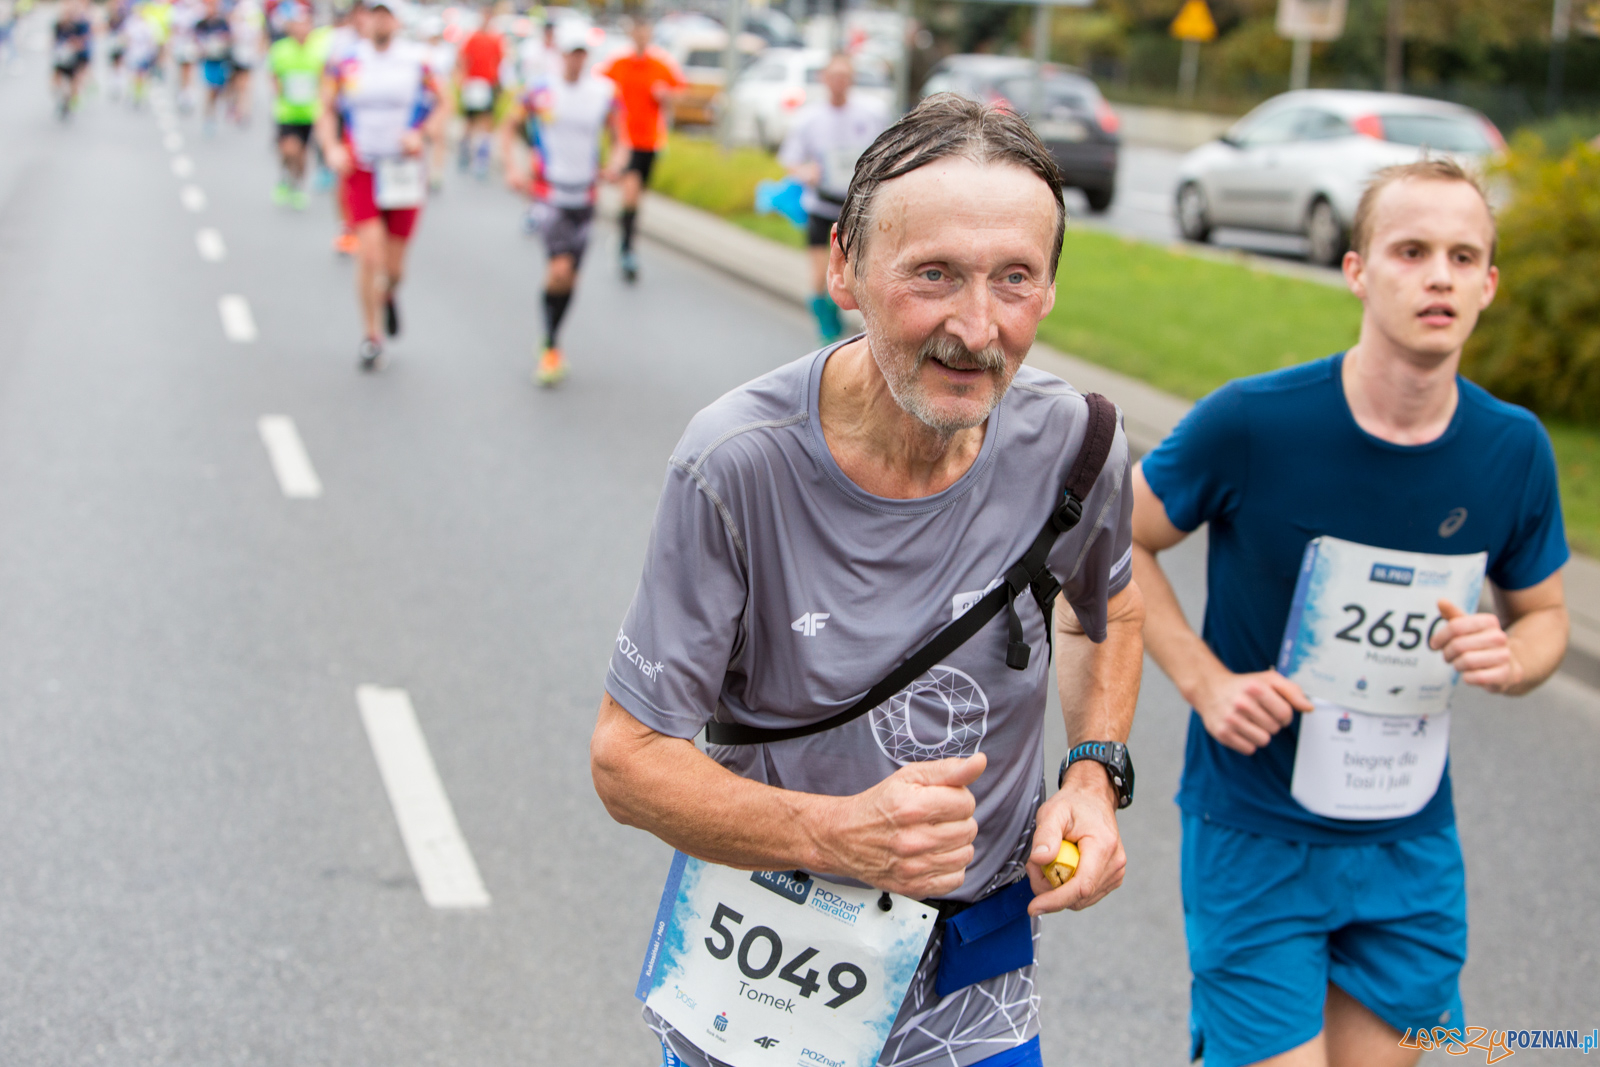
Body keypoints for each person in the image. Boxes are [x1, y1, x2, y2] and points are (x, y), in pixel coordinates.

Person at [591, 94, 1144, 1067]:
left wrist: (1093, 776)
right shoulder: (737, 462)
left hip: (975, 988)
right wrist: (835, 834)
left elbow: (1105, 611)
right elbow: (627, 758)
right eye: (933, 274)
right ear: (842, 263)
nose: (976, 328)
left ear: (1051, 287)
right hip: (767, 979)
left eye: (1013, 278)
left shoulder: (1077, 442)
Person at [1131, 157, 1570, 1067]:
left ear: (1488, 284)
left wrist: (1514, 657)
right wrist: (1204, 681)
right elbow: (1111, 543)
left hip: (1408, 842)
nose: (1438, 274)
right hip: (1256, 829)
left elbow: (1547, 617)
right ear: (1359, 270)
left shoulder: (1513, 449)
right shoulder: (1253, 422)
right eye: (1411, 250)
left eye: (1462, 255)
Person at [315, 0, 439, 370]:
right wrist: (332, 147)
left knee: (395, 269)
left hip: (402, 170)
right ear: (365, 19)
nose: (380, 19)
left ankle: (388, 295)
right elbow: (325, 109)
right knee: (370, 256)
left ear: (397, 21)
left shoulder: (417, 63)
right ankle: (372, 337)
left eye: (387, 13)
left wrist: (421, 134)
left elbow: (443, 105)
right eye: (374, 12)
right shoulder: (346, 62)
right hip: (364, 167)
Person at [497, 22, 622, 386]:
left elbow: (620, 138)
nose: (576, 60)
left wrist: (614, 164)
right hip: (549, 193)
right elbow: (508, 127)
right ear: (560, 54)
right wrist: (513, 168)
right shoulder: (540, 90)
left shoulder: (603, 93)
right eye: (571, 53)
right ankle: (550, 347)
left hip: (585, 196)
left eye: (582, 53)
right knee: (559, 271)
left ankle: (552, 340)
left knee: (571, 280)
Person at [778, 52, 889, 345]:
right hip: (821, 207)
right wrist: (806, 172)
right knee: (820, 280)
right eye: (834, 76)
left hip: (855, 211)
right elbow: (790, 161)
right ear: (824, 79)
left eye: (845, 76)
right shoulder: (809, 119)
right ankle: (827, 329)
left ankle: (836, 326)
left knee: (850, 278)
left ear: (851, 79)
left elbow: (887, 154)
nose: (839, 82)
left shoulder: (870, 115)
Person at [594, 15, 683, 282]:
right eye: (638, 32)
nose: (643, 37)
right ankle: (627, 248)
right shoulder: (619, 64)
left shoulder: (660, 65)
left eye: (647, 32)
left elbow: (681, 91)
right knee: (630, 191)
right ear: (632, 34)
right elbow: (598, 87)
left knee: (637, 196)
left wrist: (666, 95)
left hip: (651, 140)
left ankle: (625, 236)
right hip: (626, 140)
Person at [267, 2, 322, 207]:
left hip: (309, 111)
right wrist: (278, 90)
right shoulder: (280, 49)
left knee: (302, 153)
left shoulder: (318, 49)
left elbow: (324, 78)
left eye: (305, 24)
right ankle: (284, 175)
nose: (301, 29)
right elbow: (273, 74)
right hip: (286, 110)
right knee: (289, 149)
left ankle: (297, 184)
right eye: (298, 25)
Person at [454, 8, 503, 179]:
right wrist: (463, 78)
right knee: (470, 121)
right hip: (473, 83)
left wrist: (497, 82)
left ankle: (481, 158)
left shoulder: (495, 39)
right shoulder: (473, 38)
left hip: (487, 84)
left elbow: (500, 61)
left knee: (486, 122)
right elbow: (462, 58)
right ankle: (465, 150)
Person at [193, 0, 231, 134]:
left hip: (220, 61)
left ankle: (215, 112)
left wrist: (222, 43)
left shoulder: (222, 23)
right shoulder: (201, 24)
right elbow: (196, 41)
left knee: (218, 90)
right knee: (210, 88)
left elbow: (229, 39)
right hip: (208, 61)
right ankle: (208, 117)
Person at [51, 0, 92, 120]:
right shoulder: (59, 24)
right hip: (61, 57)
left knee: (74, 81)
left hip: (76, 58)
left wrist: (73, 44)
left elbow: (84, 41)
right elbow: (54, 40)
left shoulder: (81, 25)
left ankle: (72, 101)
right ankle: (63, 99)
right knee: (56, 81)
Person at [228, 0, 264, 125]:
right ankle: (238, 106)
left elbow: (259, 31)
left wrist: (259, 50)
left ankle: (243, 110)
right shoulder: (236, 8)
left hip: (247, 53)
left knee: (245, 83)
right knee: (237, 82)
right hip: (237, 51)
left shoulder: (254, 9)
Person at [168, 0, 202, 113]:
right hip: (180, 44)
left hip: (191, 44)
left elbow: (200, 28)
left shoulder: (197, 9)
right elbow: (173, 28)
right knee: (182, 69)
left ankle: (188, 93)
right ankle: (182, 92)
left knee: (189, 68)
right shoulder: (177, 10)